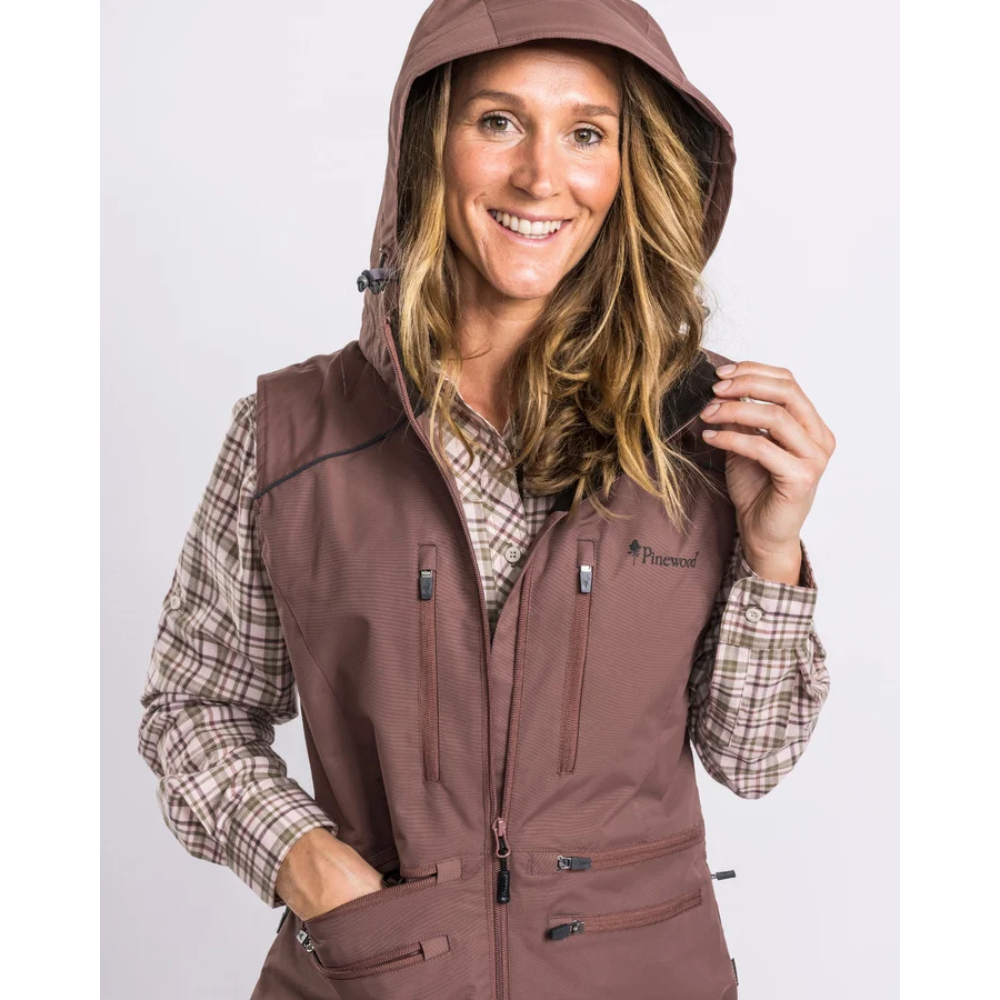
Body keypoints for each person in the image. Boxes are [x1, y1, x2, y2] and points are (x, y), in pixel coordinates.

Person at [137, 1, 835, 997]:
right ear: (429, 147)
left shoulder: (706, 429)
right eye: (499, 121)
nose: (541, 177)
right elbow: (194, 705)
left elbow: (752, 760)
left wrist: (771, 549)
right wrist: (308, 862)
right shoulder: (290, 433)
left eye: (587, 133)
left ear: (629, 169)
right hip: (376, 975)